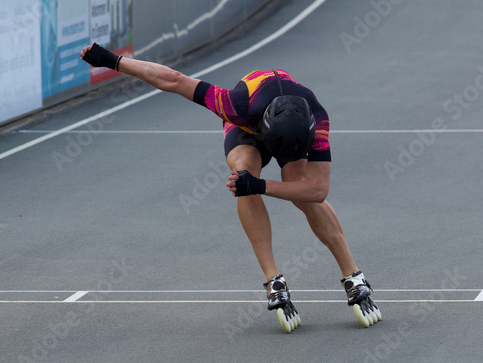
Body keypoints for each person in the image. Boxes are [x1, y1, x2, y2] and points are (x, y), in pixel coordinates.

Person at [80, 43, 382, 332]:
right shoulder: (235, 105)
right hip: (248, 124)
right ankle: (273, 280)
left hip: (291, 122)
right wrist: (112, 60)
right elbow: (173, 79)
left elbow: (318, 190)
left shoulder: (319, 119)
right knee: (243, 172)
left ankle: (353, 276)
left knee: (300, 191)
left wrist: (262, 185)